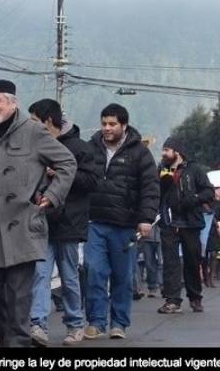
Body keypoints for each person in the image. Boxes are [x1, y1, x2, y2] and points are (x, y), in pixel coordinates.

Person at [0, 80, 76, 347]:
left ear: (12, 102)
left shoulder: (34, 131)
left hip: (23, 227)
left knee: (19, 296)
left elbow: (67, 163)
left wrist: (52, 195)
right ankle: (7, 337)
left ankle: (17, 342)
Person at [26, 99, 97, 347]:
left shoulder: (81, 148)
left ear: (48, 121)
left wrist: (63, 174)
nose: (31, 125)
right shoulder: (34, 146)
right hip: (42, 222)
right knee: (40, 275)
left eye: (35, 120)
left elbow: (92, 182)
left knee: (69, 277)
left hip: (69, 223)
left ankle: (75, 325)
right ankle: (38, 325)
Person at [85, 103, 159, 341]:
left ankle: (119, 323)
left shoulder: (139, 153)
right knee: (94, 271)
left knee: (123, 276)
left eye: (112, 124)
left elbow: (150, 188)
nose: (107, 128)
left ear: (123, 125)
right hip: (94, 222)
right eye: (104, 123)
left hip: (125, 225)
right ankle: (95, 322)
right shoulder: (91, 148)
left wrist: (146, 219)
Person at [156, 137, 214, 314]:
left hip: (190, 222)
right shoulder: (161, 170)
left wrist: (195, 199)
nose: (163, 153)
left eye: (166, 150)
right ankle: (172, 300)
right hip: (169, 222)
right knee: (170, 263)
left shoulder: (194, 170)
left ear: (177, 152)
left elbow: (209, 192)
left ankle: (195, 297)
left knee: (191, 261)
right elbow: (154, 193)